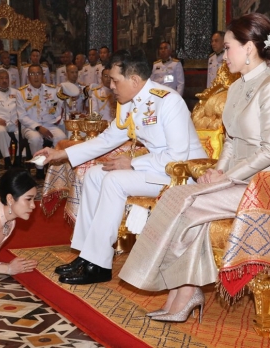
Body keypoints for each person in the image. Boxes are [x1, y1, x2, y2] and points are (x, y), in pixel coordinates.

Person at [118, 13, 270, 323]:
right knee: (176, 195)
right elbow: (232, 141)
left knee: (188, 202)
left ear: (249, 48)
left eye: (228, 48)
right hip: (235, 179)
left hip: (264, 183)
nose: (224, 56)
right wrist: (217, 169)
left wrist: (228, 175)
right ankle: (182, 290)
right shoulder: (237, 88)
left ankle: (182, 290)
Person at [35, 49, 206, 285]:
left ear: (134, 80)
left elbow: (177, 156)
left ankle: (99, 265)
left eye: (115, 80)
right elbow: (106, 140)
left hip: (181, 174)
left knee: (114, 180)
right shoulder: (130, 103)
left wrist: (133, 163)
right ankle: (87, 256)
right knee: (95, 174)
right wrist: (61, 153)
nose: (111, 86)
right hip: (156, 169)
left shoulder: (168, 101)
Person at [16, 64, 67, 179]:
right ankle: (39, 169)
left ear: (43, 75)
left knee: (61, 137)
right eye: (32, 74)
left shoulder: (52, 90)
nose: (35, 77)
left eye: (38, 73)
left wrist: (57, 117)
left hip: (49, 125)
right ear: (28, 76)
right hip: (30, 127)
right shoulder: (21, 93)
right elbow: (22, 116)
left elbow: (59, 109)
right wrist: (38, 127)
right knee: (35, 138)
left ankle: (54, 167)